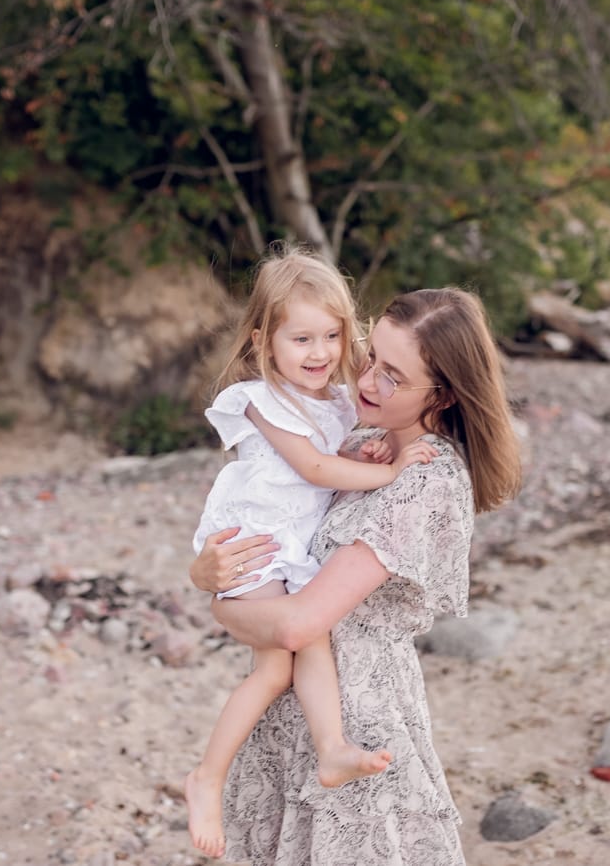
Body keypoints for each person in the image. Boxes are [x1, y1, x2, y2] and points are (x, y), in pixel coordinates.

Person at [189, 286, 522, 866]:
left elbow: (296, 626)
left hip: (359, 715)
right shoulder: (364, 441)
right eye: (370, 359)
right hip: (290, 713)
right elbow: (273, 515)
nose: (366, 382)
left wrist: (217, 603)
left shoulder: (425, 481)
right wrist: (206, 567)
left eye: (393, 376)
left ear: (442, 395)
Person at [184, 247, 438, 859]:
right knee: (277, 664)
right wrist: (391, 468)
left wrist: (365, 453)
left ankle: (329, 750)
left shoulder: (331, 400)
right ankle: (206, 779)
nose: (319, 352)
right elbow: (312, 466)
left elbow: (335, 459)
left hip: (290, 551)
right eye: (301, 338)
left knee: (306, 641)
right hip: (254, 546)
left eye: (332, 335)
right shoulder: (260, 399)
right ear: (263, 339)